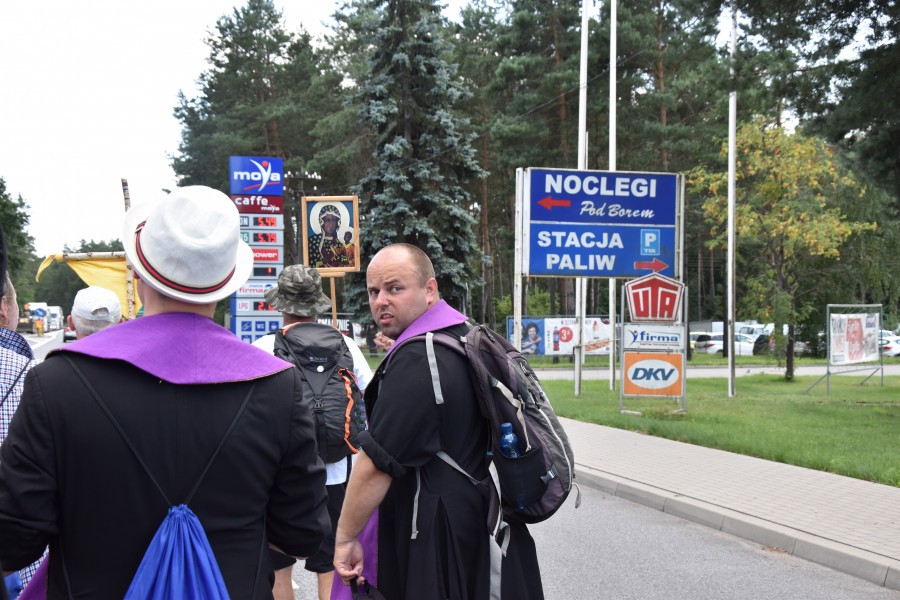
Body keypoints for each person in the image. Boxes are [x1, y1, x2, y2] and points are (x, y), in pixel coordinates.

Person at [0, 186, 330, 598]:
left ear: (138, 277)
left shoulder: (57, 382)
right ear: (227, 285)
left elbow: (14, 540)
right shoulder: (279, 388)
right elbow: (302, 533)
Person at [333, 243, 543, 599]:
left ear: (429, 290)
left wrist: (344, 538)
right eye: (374, 291)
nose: (381, 300)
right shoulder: (461, 333)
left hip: (435, 527)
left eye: (395, 288)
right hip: (472, 510)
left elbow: (376, 464)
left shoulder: (419, 357)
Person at [253, 264, 372, 600]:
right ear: (317, 305)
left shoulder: (263, 347)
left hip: (279, 474)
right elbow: (370, 399)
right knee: (332, 561)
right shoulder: (345, 345)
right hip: (337, 472)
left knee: (279, 564)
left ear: (281, 305)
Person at [308, 204, 355, 269]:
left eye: (334, 220)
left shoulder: (340, 243)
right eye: (327, 220)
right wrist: (322, 262)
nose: (331, 225)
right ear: (321, 222)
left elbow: (348, 260)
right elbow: (310, 263)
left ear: (338, 222)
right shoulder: (313, 241)